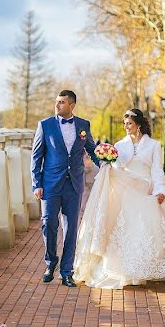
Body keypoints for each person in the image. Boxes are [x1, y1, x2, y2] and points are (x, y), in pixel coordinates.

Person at [73, 108, 165, 289]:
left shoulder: (154, 145)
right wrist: (108, 162)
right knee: (129, 229)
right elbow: (117, 168)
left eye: (129, 124)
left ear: (138, 125)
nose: (126, 127)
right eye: (124, 124)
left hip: (145, 190)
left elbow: (157, 169)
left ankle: (147, 268)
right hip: (125, 192)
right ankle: (128, 271)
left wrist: (160, 190)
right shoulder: (119, 145)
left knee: (149, 229)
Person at [31, 90, 100, 287]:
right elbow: (36, 157)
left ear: (71, 105)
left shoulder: (83, 125)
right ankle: (51, 262)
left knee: (71, 229)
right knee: (49, 225)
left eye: (61, 102)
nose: (57, 105)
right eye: (56, 102)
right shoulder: (45, 125)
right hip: (50, 184)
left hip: (74, 184)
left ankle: (67, 271)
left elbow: (91, 149)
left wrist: (105, 163)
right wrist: (37, 184)